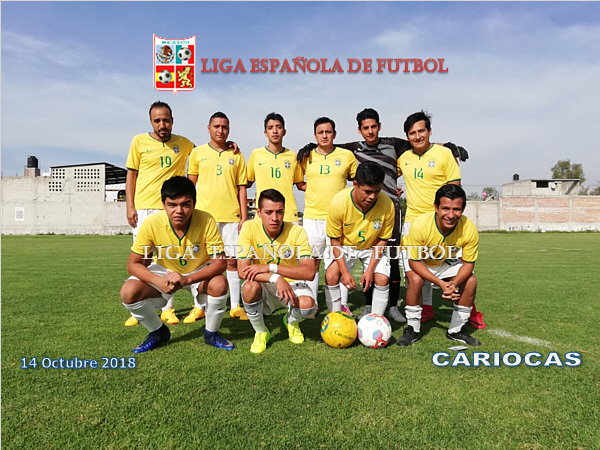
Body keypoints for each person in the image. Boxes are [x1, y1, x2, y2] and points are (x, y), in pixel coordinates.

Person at [297, 108, 462, 322]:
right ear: (359, 130)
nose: (370, 131)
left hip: (389, 209)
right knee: (351, 261)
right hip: (361, 212)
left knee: (392, 261)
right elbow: (329, 146)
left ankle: (392, 306)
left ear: (379, 126)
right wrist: (310, 147)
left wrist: (446, 145)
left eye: (373, 126)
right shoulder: (353, 149)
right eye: (365, 128)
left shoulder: (394, 145)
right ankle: (366, 306)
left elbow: (419, 142)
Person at [119, 176, 235, 353]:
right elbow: (132, 264)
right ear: (163, 204)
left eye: (185, 204)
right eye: (172, 205)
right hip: (164, 272)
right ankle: (158, 332)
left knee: (219, 283)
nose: (179, 211)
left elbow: (219, 263)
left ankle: (211, 333)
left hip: (197, 271)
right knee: (128, 292)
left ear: (194, 203)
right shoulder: (152, 223)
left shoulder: (206, 220)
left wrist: (187, 279)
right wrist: (157, 280)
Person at [397, 111, 485, 328]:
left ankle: (469, 311)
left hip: (443, 222)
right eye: (412, 133)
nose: (418, 136)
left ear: (429, 131)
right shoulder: (403, 158)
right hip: (413, 222)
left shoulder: (444, 154)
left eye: (421, 131)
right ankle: (425, 310)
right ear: (407, 136)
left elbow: (454, 189)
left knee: (456, 267)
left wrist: (449, 215)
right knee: (416, 273)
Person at [124, 101, 195, 327]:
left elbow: (206, 154)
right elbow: (131, 175)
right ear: (151, 122)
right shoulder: (139, 141)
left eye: (166, 120)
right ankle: (139, 305)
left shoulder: (184, 144)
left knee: (168, 258)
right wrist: (130, 206)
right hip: (144, 208)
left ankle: (168, 309)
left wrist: (228, 144)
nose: (162, 124)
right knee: (143, 259)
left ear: (172, 121)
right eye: (157, 121)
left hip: (170, 208)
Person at [397, 184, 481, 346]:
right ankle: (412, 329)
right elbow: (414, 262)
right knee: (416, 280)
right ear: (436, 207)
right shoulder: (420, 225)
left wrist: (453, 283)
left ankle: (456, 330)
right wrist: (441, 284)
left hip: (442, 259)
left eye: (456, 209)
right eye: (446, 208)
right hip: (417, 259)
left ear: (463, 209)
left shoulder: (469, 228)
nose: (451, 215)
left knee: (470, 281)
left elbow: (468, 264)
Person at [237, 189, 317, 354]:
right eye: (269, 212)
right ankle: (261, 332)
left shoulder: (297, 231)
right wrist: (275, 278)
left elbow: (309, 272)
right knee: (249, 287)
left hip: (291, 284)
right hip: (265, 283)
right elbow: (242, 271)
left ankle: (291, 322)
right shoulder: (249, 228)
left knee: (307, 306)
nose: (275, 218)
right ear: (258, 212)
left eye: (279, 212)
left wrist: (271, 268)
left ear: (284, 211)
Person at [187, 112, 249, 324]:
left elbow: (242, 188)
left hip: (231, 217)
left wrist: (243, 216)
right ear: (208, 128)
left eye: (224, 127)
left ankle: (235, 306)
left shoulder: (237, 154)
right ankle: (199, 307)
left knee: (232, 261)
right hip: (204, 217)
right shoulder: (197, 153)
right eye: (216, 126)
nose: (220, 130)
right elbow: (191, 186)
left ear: (228, 129)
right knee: (201, 262)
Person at [297, 117, 357, 309]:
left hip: (339, 218)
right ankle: (313, 303)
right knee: (311, 262)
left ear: (334, 134)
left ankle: (342, 305)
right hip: (312, 217)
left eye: (328, 132)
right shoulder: (306, 157)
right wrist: (317, 189)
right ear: (315, 135)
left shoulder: (346, 156)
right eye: (320, 132)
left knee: (339, 263)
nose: (324, 136)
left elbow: (356, 183)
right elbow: (299, 183)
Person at [323, 162, 395, 318]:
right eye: (368, 191)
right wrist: (344, 272)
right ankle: (335, 319)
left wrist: (370, 270)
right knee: (331, 275)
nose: (372, 197)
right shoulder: (338, 202)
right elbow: (335, 241)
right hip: (344, 246)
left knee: (382, 278)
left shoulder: (387, 204)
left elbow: (382, 240)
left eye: (377, 191)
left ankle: (376, 321)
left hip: (371, 247)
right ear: (355, 184)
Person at [247, 113, 304, 223]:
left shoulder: (293, 156)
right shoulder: (256, 154)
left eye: (278, 127)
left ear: (284, 131)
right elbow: (246, 183)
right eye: (270, 128)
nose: (275, 131)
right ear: (265, 133)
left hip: (288, 215)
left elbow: (300, 184)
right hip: (263, 215)